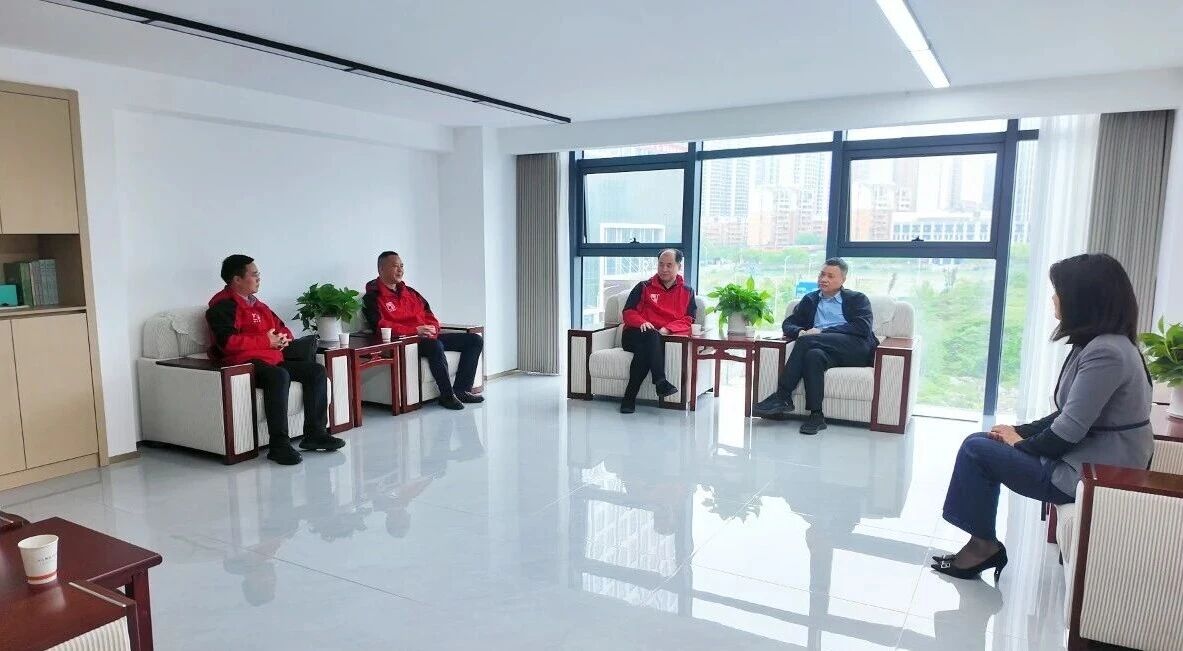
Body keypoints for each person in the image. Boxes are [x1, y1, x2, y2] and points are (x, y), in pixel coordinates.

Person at [934, 253, 1153, 581]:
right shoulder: (1098, 344)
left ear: (1083, 298)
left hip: (1094, 473)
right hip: (1089, 458)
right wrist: (1018, 431)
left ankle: (983, 547)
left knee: (976, 449)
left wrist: (1019, 444)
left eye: (1058, 291)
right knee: (982, 439)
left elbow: (1068, 430)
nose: (1054, 298)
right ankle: (981, 543)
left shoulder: (1106, 352)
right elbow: (1067, 413)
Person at [206, 255, 346, 465]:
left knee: (315, 371)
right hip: (243, 363)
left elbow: (283, 329)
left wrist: (282, 339)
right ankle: (279, 445)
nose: (259, 278)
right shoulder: (222, 306)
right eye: (254, 275)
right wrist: (266, 341)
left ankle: (315, 434)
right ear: (237, 279)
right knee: (278, 376)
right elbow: (227, 343)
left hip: (272, 358)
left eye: (258, 274)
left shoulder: (259, 305)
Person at [752, 258, 877, 434]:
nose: (823, 279)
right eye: (822, 274)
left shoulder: (857, 299)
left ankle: (783, 395)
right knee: (813, 356)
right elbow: (788, 324)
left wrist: (821, 332)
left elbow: (862, 327)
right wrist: (800, 332)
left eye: (830, 276)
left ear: (843, 280)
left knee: (808, 342)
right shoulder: (810, 299)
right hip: (825, 349)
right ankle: (816, 416)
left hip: (855, 348)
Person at [362, 251, 484, 410]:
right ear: (381, 269)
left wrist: (433, 329)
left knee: (474, 340)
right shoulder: (372, 297)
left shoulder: (411, 292)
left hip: (427, 336)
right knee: (435, 346)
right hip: (407, 341)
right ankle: (447, 396)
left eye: (401, 266)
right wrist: (415, 330)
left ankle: (462, 390)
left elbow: (429, 314)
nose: (400, 270)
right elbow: (380, 325)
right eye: (395, 266)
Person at [618, 249, 696, 414]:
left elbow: (689, 319)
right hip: (634, 334)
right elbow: (628, 312)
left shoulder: (688, 291)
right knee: (651, 336)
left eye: (669, 265)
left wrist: (668, 328)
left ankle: (629, 398)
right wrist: (642, 322)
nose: (664, 269)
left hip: (659, 338)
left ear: (679, 266)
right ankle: (660, 381)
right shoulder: (643, 286)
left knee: (645, 350)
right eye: (661, 264)